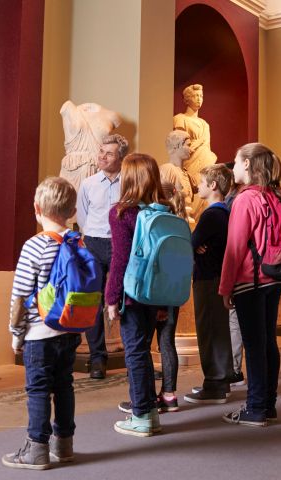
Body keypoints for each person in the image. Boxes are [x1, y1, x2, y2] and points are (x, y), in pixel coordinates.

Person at [3, 177, 82, 470]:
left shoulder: (34, 245)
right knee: (64, 385)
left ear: (36, 209)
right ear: (72, 211)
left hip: (40, 333)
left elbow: (21, 294)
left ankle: (37, 449)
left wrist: (15, 333)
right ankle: (64, 445)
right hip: (70, 329)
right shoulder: (78, 241)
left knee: (37, 389)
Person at [219, 143, 281, 427]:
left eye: (235, 161)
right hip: (274, 277)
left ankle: (256, 408)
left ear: (247, 164)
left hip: (249, 280)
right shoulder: (275, 196)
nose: (232, 167)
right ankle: (267, 404)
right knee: (268, 342)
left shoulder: (245, 200)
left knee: (254, 345)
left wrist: (225, 288)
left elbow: (234, 247)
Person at [106, 153, 171, 437]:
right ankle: (151, 412)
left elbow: (120, 259)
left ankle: (141, 414)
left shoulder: (123, 212)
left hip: (133, 292)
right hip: (158, 291)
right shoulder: (164, 211)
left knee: (134, 352)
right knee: (144, 349)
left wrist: (111, 297)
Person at [117, 181, 186, 415]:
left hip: (149, 293)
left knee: (141, 347)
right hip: (171, 293)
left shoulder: (148, 221)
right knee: (167, 344)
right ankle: (169, 395)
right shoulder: (177, 223)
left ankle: (144, 400)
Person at [76, 134, 129, 379]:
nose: (102, 156)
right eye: (101, 151)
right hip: (94, 243)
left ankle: (133, 355)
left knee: (127, 299)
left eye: (108, 153)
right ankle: (98, 359)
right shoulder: (88, 184)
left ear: (121, 157)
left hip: (121, 243)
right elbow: (83, 217)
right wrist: (91, 238)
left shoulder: (129, 183)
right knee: (94, 301)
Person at [184, 164, 235, 404]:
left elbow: (190, 243)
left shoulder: (212, 214)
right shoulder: (225, 213)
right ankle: (220, 381)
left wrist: (195, 245)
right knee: (218, 330)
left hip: (208, 278)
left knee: (209, 331)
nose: (198, 186)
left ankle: (214, 384)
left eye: (202, 182)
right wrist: (196, 245)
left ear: (213, 186)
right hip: (218, 276)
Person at [173, 84, 217, 218]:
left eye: (201, 96)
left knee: (204, 192)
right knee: (188, 194)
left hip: (204, 163)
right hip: (189, 163)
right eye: (196, 96)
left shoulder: (205, 124)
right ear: (187, 99)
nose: (199, 99)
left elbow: (206, 147)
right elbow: (179, 143)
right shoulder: (180, 119)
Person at [60, 100, 121, 193]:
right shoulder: (68, 107)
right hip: (71, 170)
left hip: (96, 169)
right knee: (66, 203)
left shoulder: (111, 115)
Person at [223, 166, 246, 388]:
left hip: (241, 270)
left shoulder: (235, 200)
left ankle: (234, 370)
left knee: (235, 320)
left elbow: (234, 241)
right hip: (256, 271)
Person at [159, 130, 196, 222]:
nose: (192, 150)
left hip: (187, 222)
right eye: (188, 145)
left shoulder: (188, 175)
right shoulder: (167, 170)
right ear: (177, 146)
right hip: (173, 222)